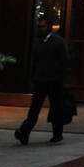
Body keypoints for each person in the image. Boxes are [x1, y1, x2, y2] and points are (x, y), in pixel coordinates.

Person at [15, 17, 69, 145]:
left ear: (49, 27)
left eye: (43, 26)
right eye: (39, 26)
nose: (41, 29)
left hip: (54, 80)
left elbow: (64, 61)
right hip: (40, 80)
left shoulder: (58, 42)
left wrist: (61, 77)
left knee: (55, 108)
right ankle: (24, 132)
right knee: (34, 108)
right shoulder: (37, 42)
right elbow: (35, 60)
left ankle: (57, 134)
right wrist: (33, 76)